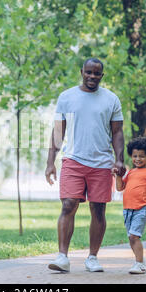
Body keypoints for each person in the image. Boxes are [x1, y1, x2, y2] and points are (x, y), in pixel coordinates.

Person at [45, 58, 126, 272]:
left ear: (102, 75)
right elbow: (57, 132)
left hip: (101, 163)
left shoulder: (111, 99)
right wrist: (50, 162)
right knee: (68, 204)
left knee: (98, 210)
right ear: (81, 71)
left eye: (96, 73)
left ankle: (92, 257)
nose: (92, 76)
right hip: (73, 159)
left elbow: (117, 132)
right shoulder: (67, 97)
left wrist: (119, 158)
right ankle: (62, 257)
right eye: (88, 72)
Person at [112, 137, 146, 274]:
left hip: (141, 209)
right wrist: (117, 176)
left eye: (141, 156)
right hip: (127, 210)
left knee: (134, 236)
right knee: (131, 238)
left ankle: (139, 264)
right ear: (131, 156)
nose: (138, 159)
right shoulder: (131, 172)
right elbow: (120, 188)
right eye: (135, 156)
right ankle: (140, 261)